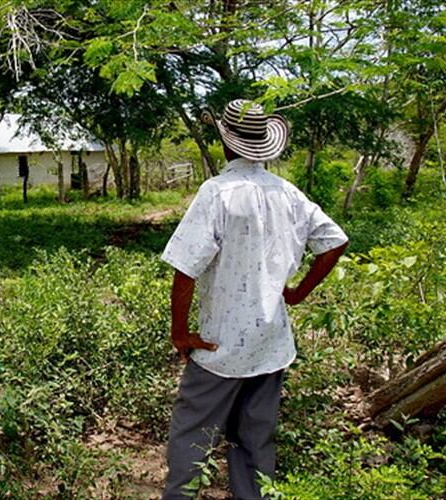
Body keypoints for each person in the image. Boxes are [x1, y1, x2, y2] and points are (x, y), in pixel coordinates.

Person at [160, 100, 349, 499]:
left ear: (226, 142)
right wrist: (297, 293)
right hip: (270, 344)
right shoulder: (288, 193)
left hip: (219, 346)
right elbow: (334, 241)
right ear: (262, 143)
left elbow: (185, 268)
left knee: (192, 437)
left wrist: (180, 333)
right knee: (254, 441)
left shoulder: (217, 193)